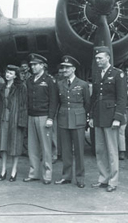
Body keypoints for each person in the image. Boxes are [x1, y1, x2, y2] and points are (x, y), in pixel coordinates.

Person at [89, 46, 126, 193]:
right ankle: (103, 178)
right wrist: (91, 116)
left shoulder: (118, 74)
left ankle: (113, 181)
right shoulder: (97, 74)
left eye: (100, 58)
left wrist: (118, 117)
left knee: (112, 151)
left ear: (108, 58)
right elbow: (94, 98)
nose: (97, 60)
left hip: (111, 117)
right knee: (100, 150)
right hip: (98, 116)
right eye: (96, 58)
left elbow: (122, 98)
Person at [54, 56, 90, 188]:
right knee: (66, 150)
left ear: (74, 69)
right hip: (63, 118)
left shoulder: (83, 84)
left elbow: (87, 103)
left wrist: (84, 117)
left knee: (80, 151)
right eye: (63, 67)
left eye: (67, 67)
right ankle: (66, 176)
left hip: (78, 118)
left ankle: (80, 178)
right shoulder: (59, 84)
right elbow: (57, 102)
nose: (64, 70)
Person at [23, 53, 58, 185]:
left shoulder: (49, 80)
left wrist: (51, 117)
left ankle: (47, 174)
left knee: (46, 147)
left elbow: (54, 101)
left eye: (35, 64)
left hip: (44, 117)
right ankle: (34, 173)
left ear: (42, 65)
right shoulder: (30, 80)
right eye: (31, 65)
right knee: (32, 147)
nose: (33, 67)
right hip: (32, 116)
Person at [0, 65, 27, 182]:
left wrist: (21, 121)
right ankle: (3, 170)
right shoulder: (0, 87)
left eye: (11, 73)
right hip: (2, 119)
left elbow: (23, 106)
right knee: (3, 146)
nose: (8, 75)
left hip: (14, 120)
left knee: (15, 146)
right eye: (7, 72)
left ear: (15, 75)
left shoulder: (21, 87)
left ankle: (14, 170)